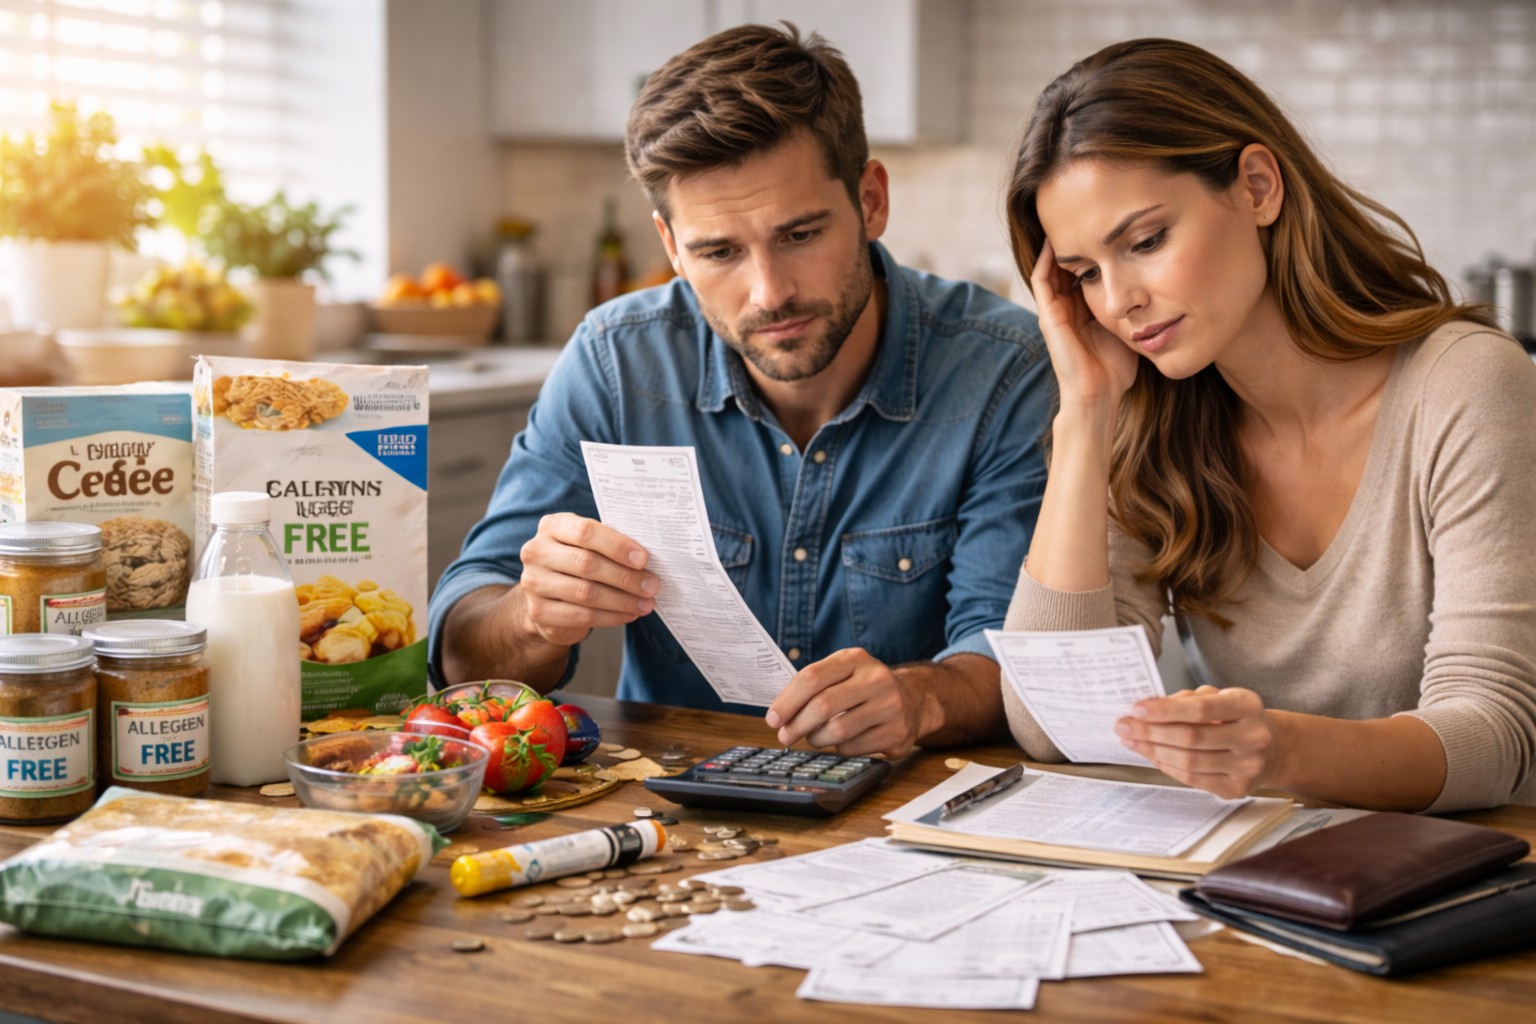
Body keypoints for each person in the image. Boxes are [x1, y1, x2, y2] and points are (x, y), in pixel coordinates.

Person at [428, 23, 1055, 758]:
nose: (769, 293)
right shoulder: (615, 363)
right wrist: (531, 615)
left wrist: (921, 699)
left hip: (912, 807)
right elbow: (463, 654)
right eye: (719, 251)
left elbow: (1012, 659)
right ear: (670, 247)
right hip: (669, 814)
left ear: (872, 200)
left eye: (800, 235)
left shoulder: (1004, 370)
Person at [1001, 37, 1536, 812]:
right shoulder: (1145, 419)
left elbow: (1495, 739)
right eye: (1085, 274)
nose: (1117, 303)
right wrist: (1084, 412)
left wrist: (1281, 749)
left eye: (1146, 242)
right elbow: (1051, 725)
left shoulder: (1465, 384)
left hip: (1473, 888)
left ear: (1257, 188)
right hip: (1265, 878)